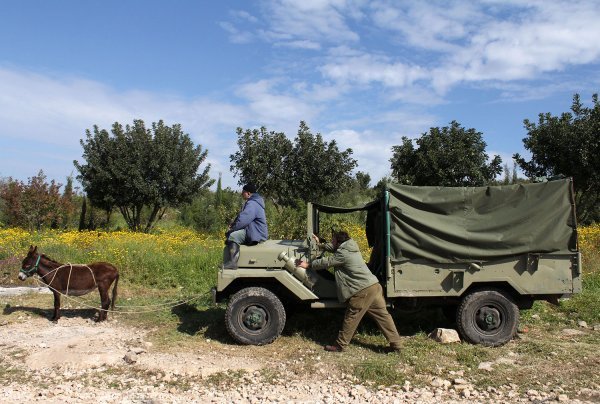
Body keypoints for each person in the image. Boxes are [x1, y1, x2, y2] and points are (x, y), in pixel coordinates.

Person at [296, 230, 402, 352]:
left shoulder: (343, 254)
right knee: (384, 317)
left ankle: (340, 345)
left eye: (333, 239)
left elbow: (327, 262)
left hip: (362, 290)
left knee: (351, 317)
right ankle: (397, 345)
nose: (332, 241)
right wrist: (320, 244)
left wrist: (308, 265)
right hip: (373, 286)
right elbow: (332, 247)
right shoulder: (349, 246)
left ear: (338, 241)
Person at [223, 183, 268, 269]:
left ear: (248, 193)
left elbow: (243, 221)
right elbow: (242, 217)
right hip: (255, 230)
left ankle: (233, 263)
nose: (241, 193)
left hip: (256, 233)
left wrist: (232, 230)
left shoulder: (252, 204)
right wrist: (233, 223)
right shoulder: (254, 202)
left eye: (243, 192)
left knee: (233, 236)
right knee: (233, 235)